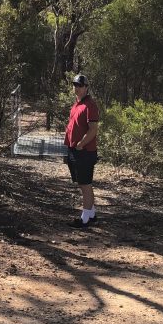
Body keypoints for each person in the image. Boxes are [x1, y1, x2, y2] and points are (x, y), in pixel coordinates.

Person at [64, 73, 100, 228]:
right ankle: (91, 214)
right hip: (74, 149)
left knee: (85, 185)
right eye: (75, 85)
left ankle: (85, 219)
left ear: (86, 87)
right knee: (83, 183)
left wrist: (81, 144)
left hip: (84, 151)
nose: (76, 88)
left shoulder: (90, 105)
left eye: (80, 85)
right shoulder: (76, 104)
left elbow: (93, 130)